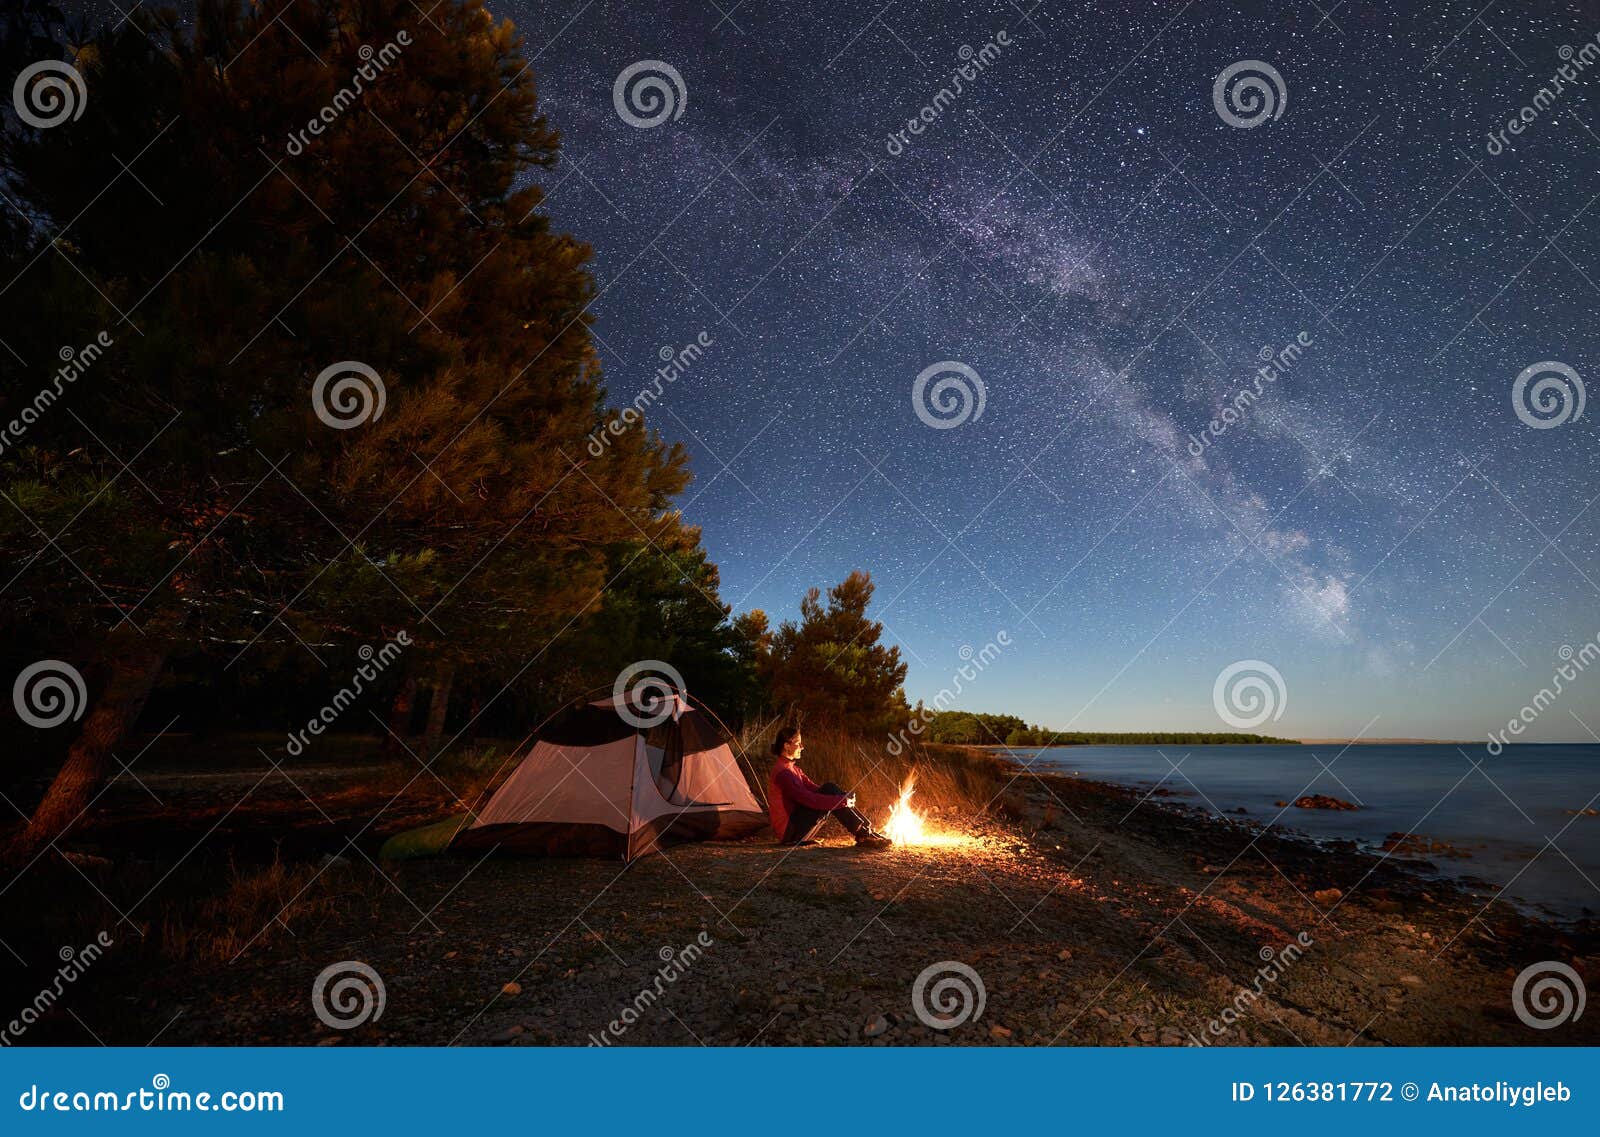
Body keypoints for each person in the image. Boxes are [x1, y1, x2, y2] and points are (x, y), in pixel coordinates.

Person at [766, 728, 892, 849]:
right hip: (790, 832)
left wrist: (844, 797)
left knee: (829, 787)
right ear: (786, 746)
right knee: (829, 790)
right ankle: (864, 834)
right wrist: (842, 800)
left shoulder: (793, 769)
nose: (802, 747)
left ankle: (866, 832)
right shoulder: (783, 773)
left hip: (797, 828)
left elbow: (815, 789)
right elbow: (808, 799)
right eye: (798, 743)